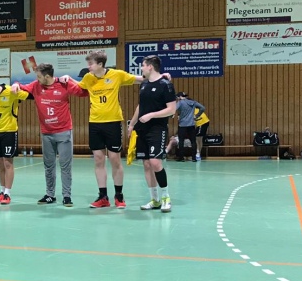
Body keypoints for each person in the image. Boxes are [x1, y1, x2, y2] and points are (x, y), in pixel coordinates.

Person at [74, 50, 157, 210]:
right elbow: (76, 87)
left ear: (100, 64)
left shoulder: (117, 75)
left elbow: (140, 79)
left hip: (112, 123)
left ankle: (119, 196)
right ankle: (103, 197)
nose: (88, 66)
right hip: (94, 123)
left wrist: (161, 76)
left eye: (91, 63)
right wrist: (64, 79)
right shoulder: (88, 78)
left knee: (115, 160)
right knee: (98, 159)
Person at [15, 63, 87, 207]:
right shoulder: (36, 85)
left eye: (39, 76)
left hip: (63, 132)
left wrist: (71, 79)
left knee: (65, 166)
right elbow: (21, 87)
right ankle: (50, 195)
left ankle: (66, 196)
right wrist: (16, 84)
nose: (37, 79)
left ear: (47, 76)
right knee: (48, 166)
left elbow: (83, 92)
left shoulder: (63, 84)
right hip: (46, 133)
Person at [128, 55, 177, 213]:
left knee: (155, 162)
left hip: (157, 128)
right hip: (142, 129)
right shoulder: (144, 84)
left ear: (150, 66)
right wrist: (132, 124)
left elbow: (171, 110)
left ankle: (166, 197)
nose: (141, 68)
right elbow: (140, 106)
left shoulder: (165, 85)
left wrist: (151, 115)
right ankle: (154, 200)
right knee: (147, 164)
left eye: (143, 65)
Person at [0, 81, 29, 205]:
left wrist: (18, 85)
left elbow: (29, 94)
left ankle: (8, 193)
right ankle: (2, 191)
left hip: (9, 132)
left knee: (7, 162)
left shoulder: (10, 92)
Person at [174, 92, 206, 162]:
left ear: (180, 97)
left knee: (181, 141)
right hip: (191, 124)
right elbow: (203, 108)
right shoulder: (193, 102)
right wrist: (197, 116)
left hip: (182, 125)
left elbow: (174, 109)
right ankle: (194, 158)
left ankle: (181, 158)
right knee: (193, 141)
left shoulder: (180, 103)